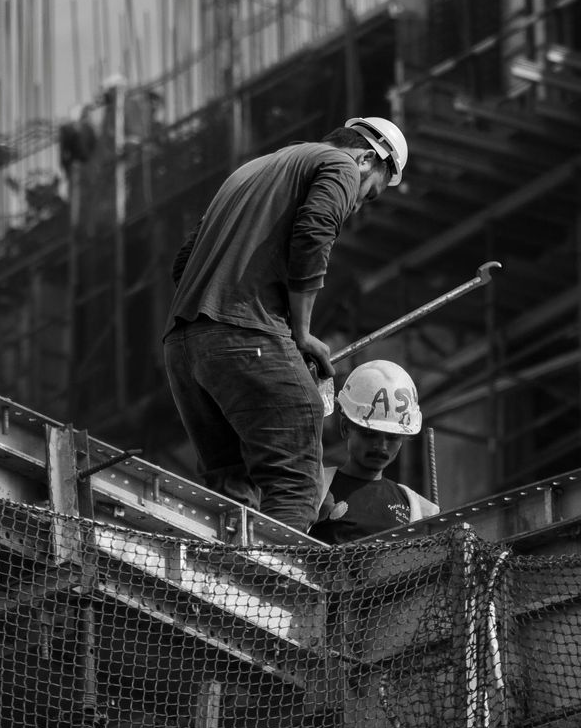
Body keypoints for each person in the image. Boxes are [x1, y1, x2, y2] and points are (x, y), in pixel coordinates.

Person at [163, 117, 409, 532]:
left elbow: (183, 264)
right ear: (368, 159)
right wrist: (301, 334)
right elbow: (314, 233)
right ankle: (281, 574)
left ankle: (234, 571)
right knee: (296, 483)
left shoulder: (247, 173)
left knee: (232, 491)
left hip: (183, 347)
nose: (357, 205)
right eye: (369, 194)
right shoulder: (340, 164)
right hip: (245, 333)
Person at [312, 359, 438, 544]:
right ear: (345, 428)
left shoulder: (416, 509)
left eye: (393, 437)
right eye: (370, 434)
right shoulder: (314, 491)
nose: (382, 446)